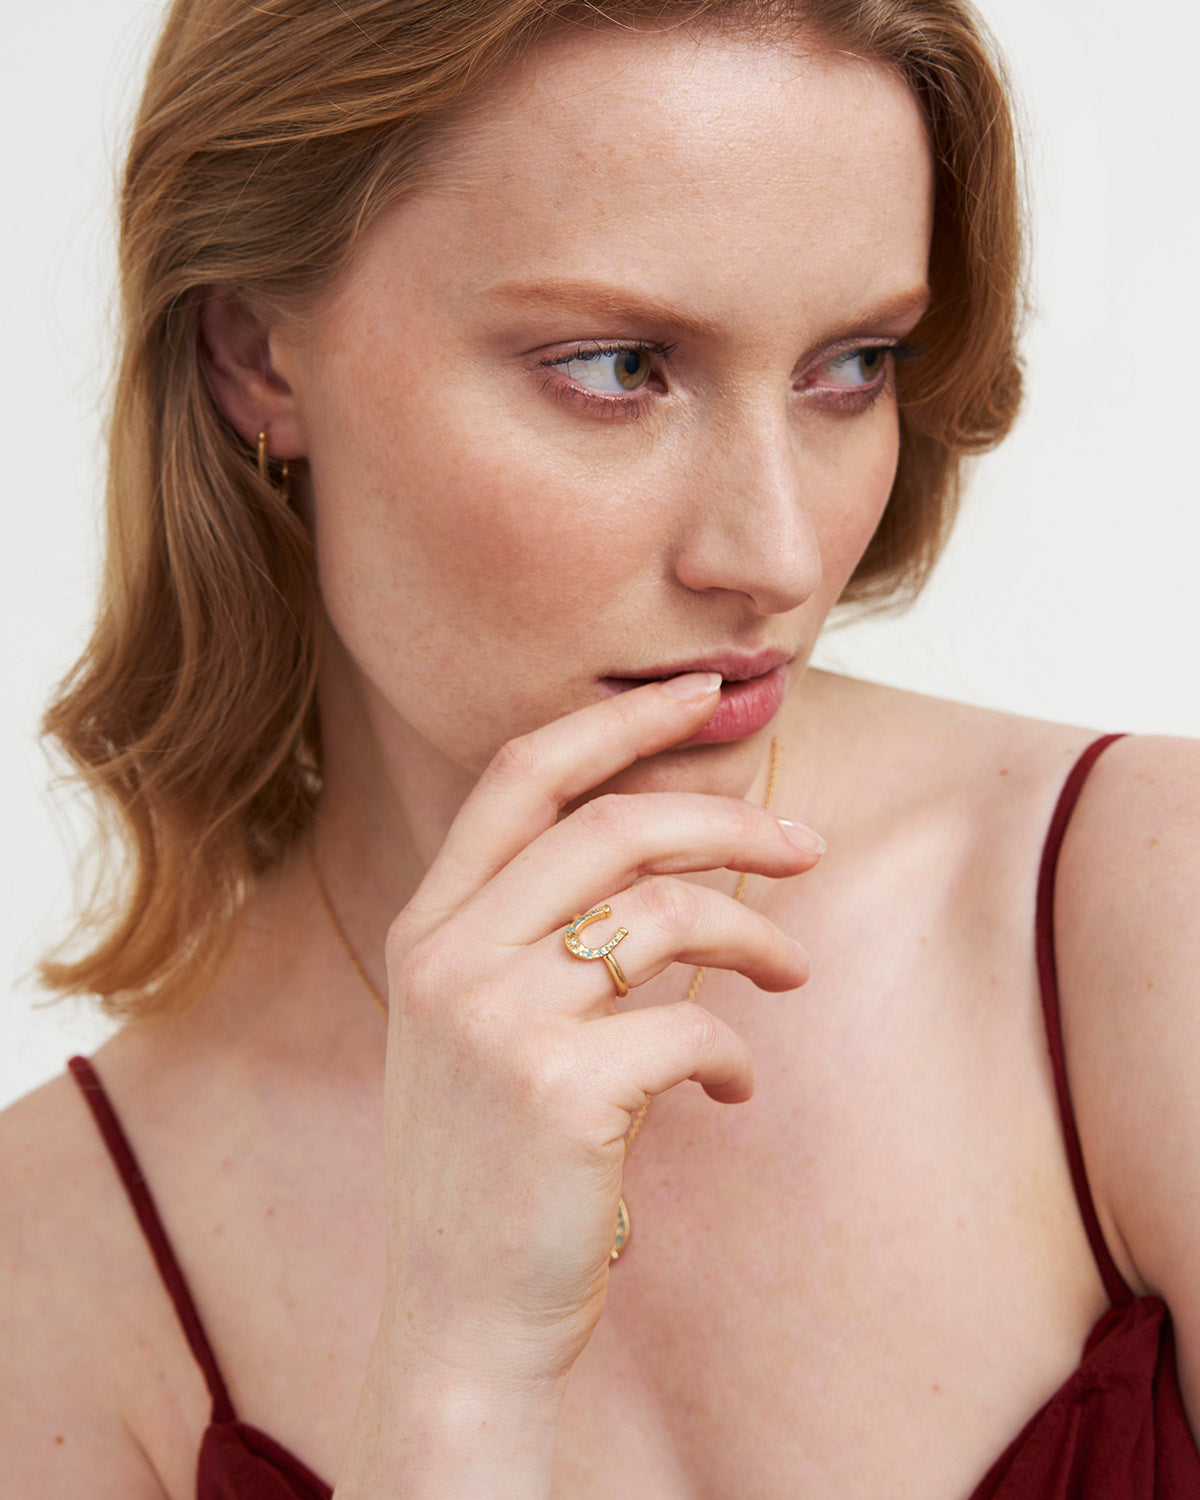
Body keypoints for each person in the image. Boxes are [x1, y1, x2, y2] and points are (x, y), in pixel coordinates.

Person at [1, 0, 1197, 1495]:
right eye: (620, 366)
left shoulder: (1144, 920)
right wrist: (454, 1376)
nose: (771, 552)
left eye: (853, 365)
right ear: (257, 354)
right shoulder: (51, 1270)